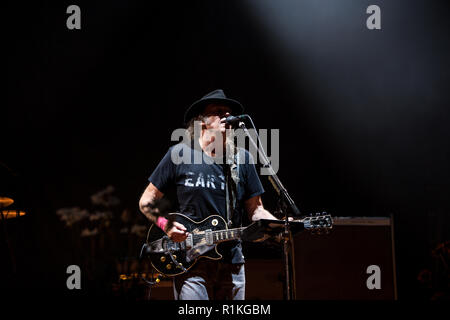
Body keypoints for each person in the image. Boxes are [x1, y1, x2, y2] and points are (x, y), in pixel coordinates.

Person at [139, 89, 279, 300]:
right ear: (201, 121)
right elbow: (146, 201)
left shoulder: (242, 159)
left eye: (229, 112)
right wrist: (166, 226)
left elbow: (256, 209)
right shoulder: (179, 154)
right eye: (219, 111)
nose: (227, 116)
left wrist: (277, 225)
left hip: (232, 262)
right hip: (190, 261)